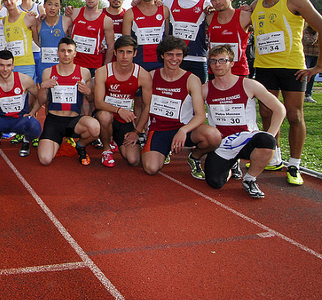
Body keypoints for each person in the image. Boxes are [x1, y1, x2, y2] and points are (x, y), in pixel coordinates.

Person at [250, 0, 322, 185]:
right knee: (267, 113)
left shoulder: (294, 0)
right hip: (264, 67)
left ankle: (295, 165)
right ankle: (274, 156)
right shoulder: (255, 5)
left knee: (294, 115)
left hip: (292, 67)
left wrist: (319, 66)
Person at [202, 45, 285, 198]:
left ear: (231, 63)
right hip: (223, 143)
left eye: (222, 60)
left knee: (266, 142)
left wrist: (271, 136)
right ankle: (231, 163)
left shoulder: (248, 85)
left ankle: (250, 178)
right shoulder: (205, 89)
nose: (217, 64)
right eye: (213, 61)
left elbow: (280, 109)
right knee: (214, 182)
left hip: (248, 139)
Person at [142, 36, 220, 177]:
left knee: (213, 136)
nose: (174, 59)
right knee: (151, 168)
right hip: (159, 129)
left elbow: (201, 115)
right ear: (162, 55)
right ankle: (164, 150)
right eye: (170, 54)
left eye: (178, 55)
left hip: (184, 129)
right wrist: (139, 129)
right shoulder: (151, 76)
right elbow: (145, 106)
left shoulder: (191, 79)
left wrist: (183, 130)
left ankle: (195, 156)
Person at [36, 37, 100, 166]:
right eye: (63, 51)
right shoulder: (48, 72)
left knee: (95, 128)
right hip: (54, 120)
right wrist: (43, 87)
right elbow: (41, 100)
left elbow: (92, 99)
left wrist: (88, 91)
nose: (66, 54)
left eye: (69, 51)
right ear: (57, 52)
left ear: (75, 53)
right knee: (45, 160)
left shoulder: (84, 72)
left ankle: (80, 145)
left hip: (74, 121)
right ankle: (57, 140)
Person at [93, 35, 152, 168]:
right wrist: (119, 110)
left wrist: (137, 131)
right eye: (121, 52)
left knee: (134, 160)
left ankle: (114, 138)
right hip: (107, 113)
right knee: (104, 116)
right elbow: (98, 102)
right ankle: (106, 149)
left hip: (124, 119)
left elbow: (147, 105)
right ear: (115, 52)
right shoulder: (103, 71)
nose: (125, 56)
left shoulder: (143, 75)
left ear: (135, 53)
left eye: (129, 52)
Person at [163, 0, 211, 83]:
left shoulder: (206, 2)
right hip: (175, 58)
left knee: (198, 94)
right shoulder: (169, 1)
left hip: (198, 57)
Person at [122, 0, 169, 72]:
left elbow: (168, 37)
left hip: (160, 63)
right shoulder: (130, 13)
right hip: (138, 64)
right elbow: (126, 43)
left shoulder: (164, 11)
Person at [68, 0, 114, 77]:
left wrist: (104, 67)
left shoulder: (106, 20)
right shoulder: (74, 13)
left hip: (94, 65)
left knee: (92, 91)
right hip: (74, 63)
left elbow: (111, 45)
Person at [206, 0, 251, 77]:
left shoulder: (245, 16)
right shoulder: (209, 17)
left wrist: (251, 8)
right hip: (215, 71)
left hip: (238, 72)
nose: (217, 2)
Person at [2, 0, 39, 79]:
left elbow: (37, 40)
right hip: (11, 65)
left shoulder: (28, 17)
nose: (9, 2)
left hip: (26, 65)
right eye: (5, 0)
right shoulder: (4, 20)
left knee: (30, 92)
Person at [38, 0, 72, 80]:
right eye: (49, 4)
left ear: (60, 7)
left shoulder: (67, 21)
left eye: (56, 5)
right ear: (44, 5)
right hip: (44, 66)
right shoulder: (38, 23)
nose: (52, 8)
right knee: (44, 92)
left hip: (62, 66)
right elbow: (37, 42)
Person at [16, 0, 45, 79]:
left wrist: (37, 20)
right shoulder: (16, 10)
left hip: (36, 51)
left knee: (39, 83)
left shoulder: (39, 8)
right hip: (22, 54)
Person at [303, 23, 318, 103]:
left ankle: (308, 94)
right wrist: (318, 34)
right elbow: (309, 41)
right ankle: (302, 93)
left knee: (312, 76)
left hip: (317, 55)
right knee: (305, 75)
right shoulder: (305, 31)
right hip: (307, 55)